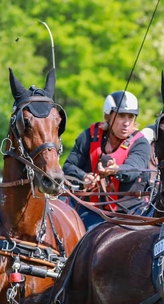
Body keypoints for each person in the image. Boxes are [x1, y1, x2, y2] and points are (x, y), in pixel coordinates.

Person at [62, 90, 151, 229]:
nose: (126, 123)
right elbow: (68, 166)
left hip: (130, 213)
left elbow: (133, 169)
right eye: (121, 116)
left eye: (131, 117)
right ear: (108, 116)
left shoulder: (141, 143)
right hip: (91, 210)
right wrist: (84, 177)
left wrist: (115, 170)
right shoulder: (88, 136)